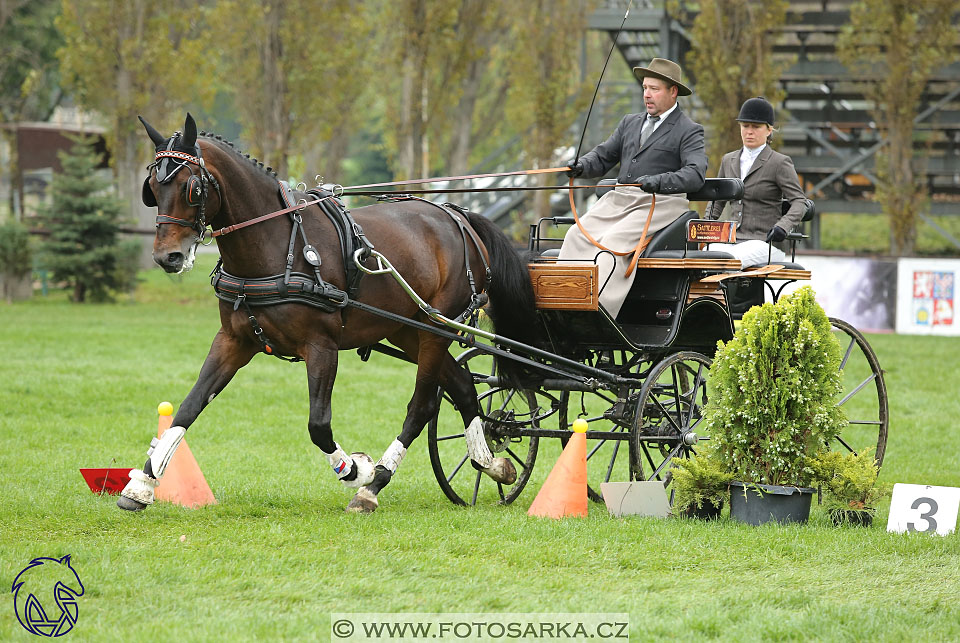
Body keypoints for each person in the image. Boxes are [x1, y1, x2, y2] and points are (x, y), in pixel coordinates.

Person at [559, 58, 707, 319]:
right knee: (575, 235)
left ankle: (597, 312)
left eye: (654, 89)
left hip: (661, 203)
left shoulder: (689, 130)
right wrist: (581, 166)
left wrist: (660, 181)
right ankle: (561, 302)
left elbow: (695, 174)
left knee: (612, 244)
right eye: (644, 88)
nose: (647, 95)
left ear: (673, 92)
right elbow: (604, 156)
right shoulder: (630, 122)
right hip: (621, 198)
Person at [704, 96, 807, 267]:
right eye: (745, 126)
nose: (749, 131)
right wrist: (705, 230)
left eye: (756, 127)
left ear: (769, 130)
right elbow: (717, 200)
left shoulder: (779, 162)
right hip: (732, 240)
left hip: (766, 243)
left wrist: (783, 226)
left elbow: (799, 201)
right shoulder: (728, 160)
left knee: (730, 261)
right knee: (701, 257)